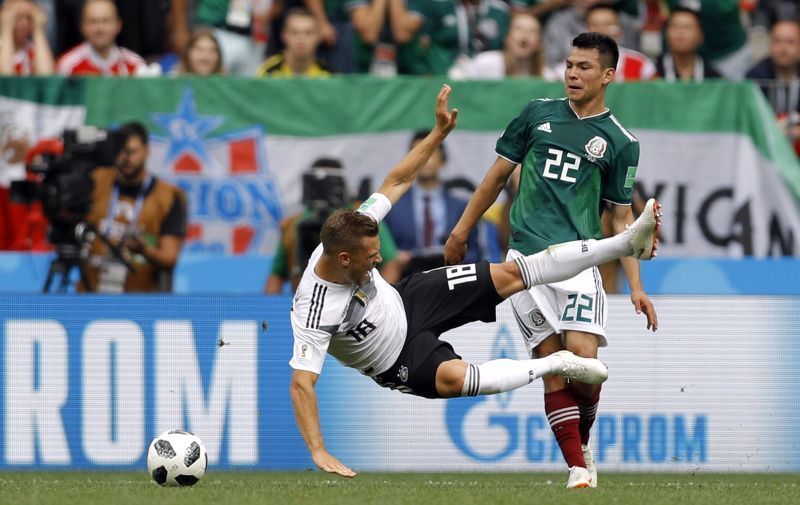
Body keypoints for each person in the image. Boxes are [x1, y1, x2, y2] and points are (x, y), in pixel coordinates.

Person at [289, 84, 661, 478]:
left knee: (512, 273)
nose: (379, 258)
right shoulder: (314, 309)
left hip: (408, 300)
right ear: (343, 259)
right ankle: (556, 363)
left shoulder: (353, 229)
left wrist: (437, 134)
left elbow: (396, 181)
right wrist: (318, 449)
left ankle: (623, 243)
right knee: (458, 379)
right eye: (371, 258)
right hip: (396, 358)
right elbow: (301, 385)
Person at [443, 33, 658, 489]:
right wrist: (461, 231)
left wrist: (637, 286)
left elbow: (623, 219)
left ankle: (582, 443)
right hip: (524, 260)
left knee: (585, 364)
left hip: (578, 261)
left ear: (608, 75)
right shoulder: (536, 113)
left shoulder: (621, 142)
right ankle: (577, 468)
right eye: (569, 65)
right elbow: (495, 178)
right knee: (553, 362)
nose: (573, 74)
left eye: (584, 67)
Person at [265, 157, 402, 293]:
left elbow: (390, 263)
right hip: (309, 300)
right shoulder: (293, 224)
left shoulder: (362, 216)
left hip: (356, 297)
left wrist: (377, 297)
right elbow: (276, 275)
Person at [79, 122, 187, 293]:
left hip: (139, 298)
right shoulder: (96, 181)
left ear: (147, 151)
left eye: (131, 152)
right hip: (91, 294)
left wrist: (144, 250)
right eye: (120, 151)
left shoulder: (168, 196)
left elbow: (169, 258)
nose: (125, 158)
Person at [383, 130, 481, 275]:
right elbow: (380, 251)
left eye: (431, 152)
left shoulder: (461, 207)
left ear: (442, 160)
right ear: (409, 161)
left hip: (450, 279)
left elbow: (475, 252)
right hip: (406, 279)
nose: (425, 159)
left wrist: (456, 259)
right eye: (419, 153)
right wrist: (394, 258)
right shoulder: (392, 206)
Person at [448, 12, 559, 80]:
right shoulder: (485, 62)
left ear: (538, 43)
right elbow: (457, 77)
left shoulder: (547, 77)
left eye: (532, 31)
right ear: (507, 38)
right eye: (518, 28)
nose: (525, 34)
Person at [746, 19, 800, 154]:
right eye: (777, 41)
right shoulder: (755, 76)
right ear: (770, 45)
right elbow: (751, 120)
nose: (783, 48)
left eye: (790, 42)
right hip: (765, 148)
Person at [55, 0, 145, 76]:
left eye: (105, 21)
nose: (100, 28)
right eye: (93, 21)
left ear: (118, 25)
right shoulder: (68, 65)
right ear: (83, 26)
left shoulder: (135, 64)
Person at [584, 5, 655, 82]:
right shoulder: (575, 64)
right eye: (595, 25)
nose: (601, 30)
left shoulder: (642, 65)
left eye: (608, 25)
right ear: (585, 30)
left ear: (620, 30)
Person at [256, 8, 330, 77]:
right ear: (284, 35)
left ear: (318, 36)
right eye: (294, 32)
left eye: (308, 33)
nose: (301, 39)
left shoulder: (328, 76)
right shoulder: (268, 73)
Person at [655, 7, 720, 82]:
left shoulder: (714, 79)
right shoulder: (652, 73)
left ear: (700, 36)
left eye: (687, 27)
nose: (680, 32)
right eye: (675, 26)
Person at [0, 0, 54, 75]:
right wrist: (6, 28)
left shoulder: (34, 50)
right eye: (17, 17)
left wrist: (38, 31)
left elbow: (47, 77)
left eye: (29, 17)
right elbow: (5, 79)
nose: (24, 23)